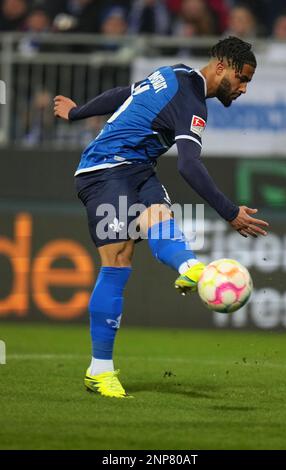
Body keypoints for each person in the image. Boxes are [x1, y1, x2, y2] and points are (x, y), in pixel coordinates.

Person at [53, 36, 269, 399]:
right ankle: (99, 370)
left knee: (159, 215)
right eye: (242, 78)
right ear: (222, 68)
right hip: (104, 168)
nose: (244, 88)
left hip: (138, 168)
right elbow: (188, 165)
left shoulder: (174, 73)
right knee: (119, 259)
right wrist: (230, 212)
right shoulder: (192, 102)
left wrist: (77, 113)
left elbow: (126, 93)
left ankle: (188, 268)